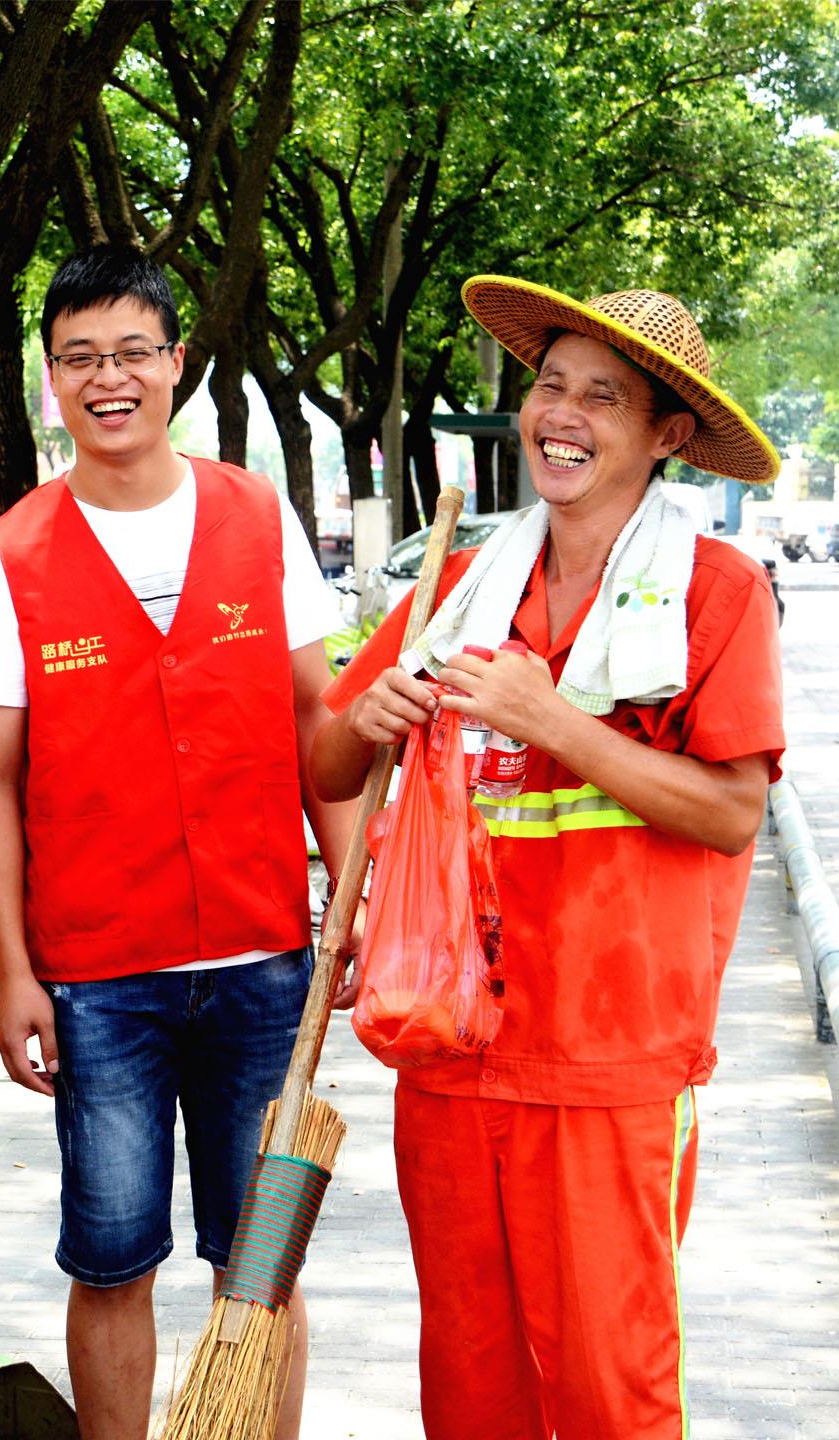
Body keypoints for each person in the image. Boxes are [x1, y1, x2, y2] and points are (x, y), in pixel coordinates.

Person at [312, 278, 784, 1439]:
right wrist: (365, 715)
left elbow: (731, 815)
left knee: (610, 1390)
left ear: (668, 435)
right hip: (451, 1050)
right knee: (469, 1391)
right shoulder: (460, 586)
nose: (560, 415)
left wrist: (555, 720)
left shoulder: (717, 595)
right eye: (550, 386)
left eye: (603, 397)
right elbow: (324, 764)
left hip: (610, 1065)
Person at [0, 243, 358, 1440]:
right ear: (51, 380)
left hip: (265, 963)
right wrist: (17, 973)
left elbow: (317, 721)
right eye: (80, 358)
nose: (109, 378)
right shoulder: (14, 555)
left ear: (178, 362)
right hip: (98, 981)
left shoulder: (255, 516)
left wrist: (357, 893)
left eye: (133, 351)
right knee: (111, 1256)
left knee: (264, 1265)